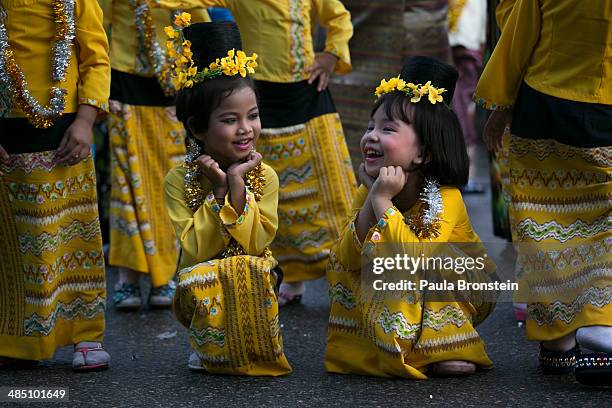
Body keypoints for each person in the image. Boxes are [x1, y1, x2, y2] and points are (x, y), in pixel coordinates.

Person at [149, 0, 357, 306]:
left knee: (334, 191)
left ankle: (349, 274)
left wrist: (332, 53)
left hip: (309, 90)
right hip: (257, 102)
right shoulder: (246, 125)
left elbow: (338, 16)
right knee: (276, 194)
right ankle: (293, 275)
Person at [325, 56, 496, 379]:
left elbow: (414, 259)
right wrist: (372, 200)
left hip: (466, 291)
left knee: (438, 261)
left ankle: (449, 345)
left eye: (387, 129)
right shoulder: (370, 191)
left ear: (423, 153)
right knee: (351, 258)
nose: (371, 136)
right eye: (370, 126)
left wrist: (382, 201)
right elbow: (344, 258)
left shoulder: (447, 197)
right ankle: (391, 345)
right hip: (409, 284)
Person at [476, 0, 611, 387]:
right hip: (604, 106)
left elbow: (519, 36)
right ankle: (600, 324)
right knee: (603, 223)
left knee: (543, 221)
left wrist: (500, 105)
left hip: (543, 104)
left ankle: (557, 341)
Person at [163, 20, 292, 375]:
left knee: (247, 264)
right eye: (230, 119)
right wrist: (216, 194)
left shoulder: (264, 175)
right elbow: (194, 247)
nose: (246, 128)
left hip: (256, 281)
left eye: (252, 116)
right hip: (199, 288)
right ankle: (206, 337)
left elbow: (256, 242)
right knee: (210, 270)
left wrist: (234, 184)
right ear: (197, 127)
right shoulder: (179, 179)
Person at [0, 0, 111, 370]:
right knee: (14, 247)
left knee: (72, 239)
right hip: (7, 137)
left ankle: (86, 335)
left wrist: (85, 120)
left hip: (66, 138)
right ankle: (16, 339)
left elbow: (96, 58)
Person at [99, 0, 210, 310]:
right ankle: (127, 278)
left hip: (174, 92)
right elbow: (97, 26)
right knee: (127, 184)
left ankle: (165, 276)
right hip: (125, 84)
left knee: (170, 182)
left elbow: (201, 24)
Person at [448, 0, 487, 193]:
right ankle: (465, 173)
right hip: (464, 41)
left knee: (460, 103)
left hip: (458, 40)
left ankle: (464, 172)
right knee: (462, 105)